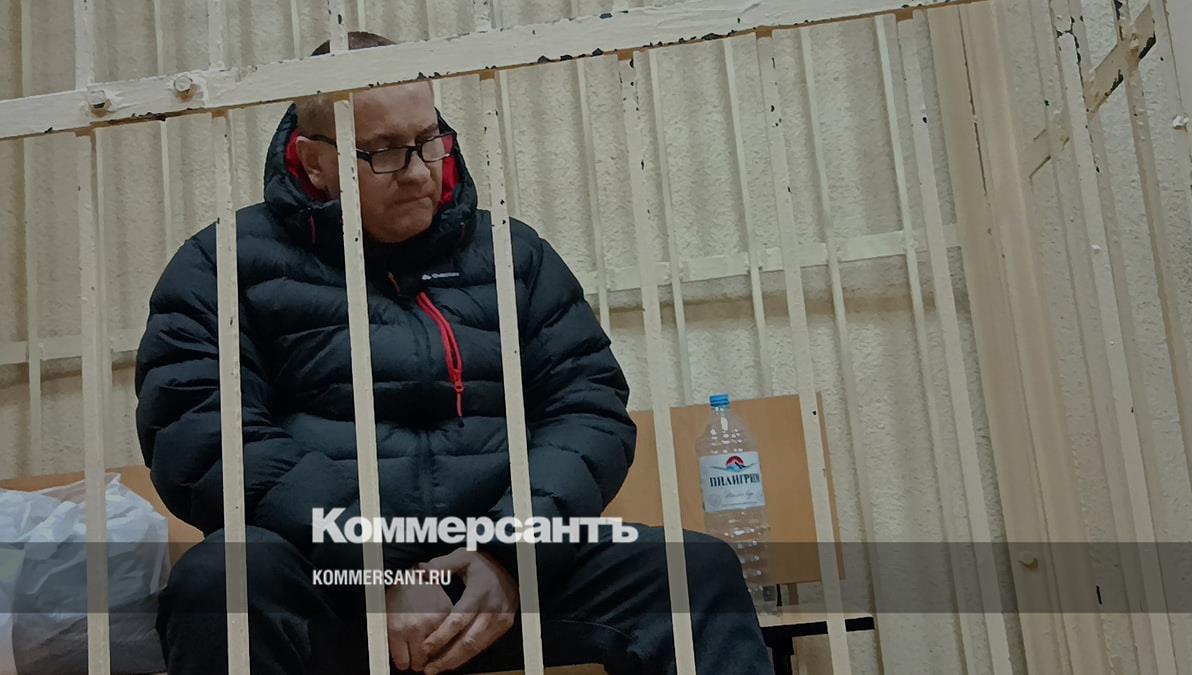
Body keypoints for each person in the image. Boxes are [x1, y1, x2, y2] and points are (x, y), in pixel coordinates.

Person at [135, 31, 773, 675]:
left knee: (692, 571)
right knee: (219, 585)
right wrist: (376, 567)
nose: (419, 171)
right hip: (330, 572)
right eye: (384, 152)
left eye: (429, 140)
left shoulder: (512, 256)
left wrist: (507, 553)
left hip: (503, 565)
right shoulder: (223, 263)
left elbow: (588, 410)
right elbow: (205, 438)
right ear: (315, 161)